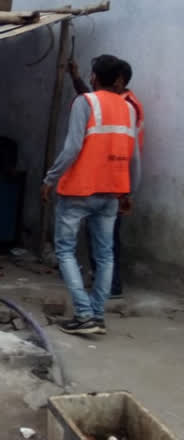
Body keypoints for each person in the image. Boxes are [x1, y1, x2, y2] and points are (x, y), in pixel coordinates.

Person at [42, 55, 140, 336]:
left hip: (79, 190)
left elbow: (72, 148)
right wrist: (128, 191)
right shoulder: (129, 108)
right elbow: (134, 157)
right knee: (106, 254)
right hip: (112, 191)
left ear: (94, 76)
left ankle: (85, 314)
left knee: (65, 250)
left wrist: (50, 178)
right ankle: (96, 315)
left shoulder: (85, 103)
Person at [69, 58, 142, 299]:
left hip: (115, 177)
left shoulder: (128, 105)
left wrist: (129, 190)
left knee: (105, 240)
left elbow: (134, 154)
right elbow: (93, 103)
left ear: (119, 80)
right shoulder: (117, 102)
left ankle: (109, 287)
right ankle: (104, 286)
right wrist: (75, 78)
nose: (93, 80)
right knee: (100, 237)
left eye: (95, 75)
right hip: (106, 178)